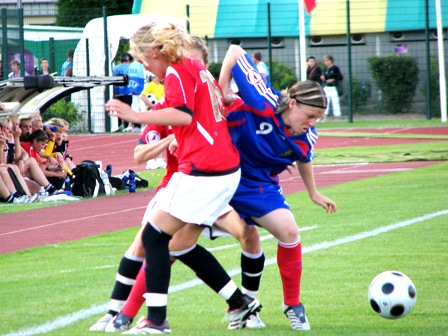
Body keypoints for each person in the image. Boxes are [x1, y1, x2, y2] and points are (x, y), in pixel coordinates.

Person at [91, 36, 265, 333]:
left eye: (143, 58)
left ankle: (153, 320)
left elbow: (182, 115)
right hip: (216, 170)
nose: (144, 66)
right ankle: (237, 302)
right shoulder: (196, 69)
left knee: (155, 238)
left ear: (158, 51)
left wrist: (134, 114)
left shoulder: (176, 71)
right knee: (174, 243)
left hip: (204, 170)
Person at [219, 44, 337, 331]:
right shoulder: (261, 99)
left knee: (289, 231)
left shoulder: (305, 137)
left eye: (317, 120)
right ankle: (132, 308)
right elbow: (234, 51)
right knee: (175, 243)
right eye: (309, 116)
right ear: (293, 103)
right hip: (220, 175)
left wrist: (313, 193)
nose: (311, 124)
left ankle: (290, 304)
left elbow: (303, 159)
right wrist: (220, 91)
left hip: (258, 184)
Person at [113, 53, 133, 130]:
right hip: (127, 91)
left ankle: (117, 125)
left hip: (117, 91)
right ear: (129, 60)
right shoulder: (130, 68)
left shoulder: (116, 68)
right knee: (127, 108)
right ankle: (127, 125)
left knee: (118, 108)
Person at [320, 55, 343, 121]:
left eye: (327, 60)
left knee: (335, 101)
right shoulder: (325, 69)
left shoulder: (335, 68)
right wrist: (323, 78)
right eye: (325, 61)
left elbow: (340, 77)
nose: (326, 62)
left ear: (331, 60)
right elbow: (324, 77)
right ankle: (325, 116)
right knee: (325, 101)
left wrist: (333, 80)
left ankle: (337, 116)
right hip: (327, 87)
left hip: (333, 87)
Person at [126, 57, 146, 132]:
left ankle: (130, 125)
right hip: (142, 86)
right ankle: (143, 126)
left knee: (134, 105)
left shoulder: (131, 65)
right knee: (143, 106)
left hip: (133, 86)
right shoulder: (142, 65)